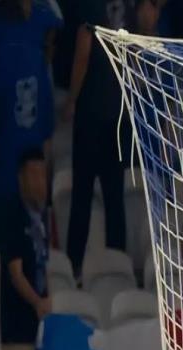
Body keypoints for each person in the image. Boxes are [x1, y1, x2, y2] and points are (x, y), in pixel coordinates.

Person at [63, 0, 136, 279]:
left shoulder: (91, 4)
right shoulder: (127, 6)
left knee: (82, 195)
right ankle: (117, 269)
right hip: (118, 115)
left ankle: (75, 268)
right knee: (114, 197)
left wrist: (72, 98)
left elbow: (83, 50)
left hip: (91, 111)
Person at [0, 0, 62, 249]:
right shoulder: (3, 51)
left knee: (22, 241)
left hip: (23, 164)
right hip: (12, 167)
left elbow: (47, 132)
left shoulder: (32, 58)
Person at [0, 148, 51, 350]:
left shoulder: (41, 218)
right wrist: (38, 302)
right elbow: (16, 273)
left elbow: (42, 265)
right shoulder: (12, 215)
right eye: (34, 174)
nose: (40, 181)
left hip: (41, 329)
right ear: (21, 178)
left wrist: (48, 300)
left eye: (43, 174)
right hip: (17, 330)